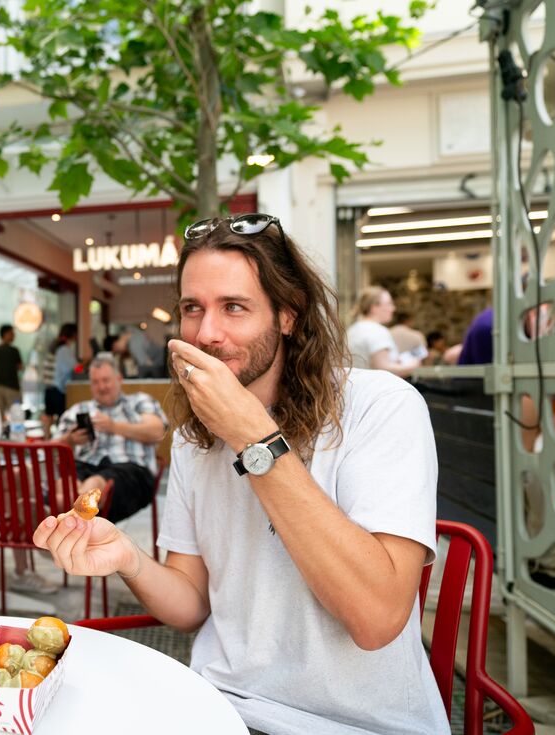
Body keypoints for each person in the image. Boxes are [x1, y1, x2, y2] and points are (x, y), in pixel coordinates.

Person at [33, 213, 447, 734]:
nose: (207, 333)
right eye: (192, 308)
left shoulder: (380, 406)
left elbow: (376, 619)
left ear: (288, 314)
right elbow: (191, 603)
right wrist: (127, 557)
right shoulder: (194, 438)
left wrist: (254, 438)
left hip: (354, 723)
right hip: (217, 707)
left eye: (234, 307)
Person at [53, 354, 167, 523]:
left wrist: (114, 427)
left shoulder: (139, 401)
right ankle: (67, 515)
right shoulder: (79, 409)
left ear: (119, 379)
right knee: (65, 483)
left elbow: (157, 431)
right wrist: (70, 438)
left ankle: (60, 517)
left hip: (130, 471)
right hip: (84, 465)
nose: (101, 387)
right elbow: (53, 449)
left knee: (95, 483)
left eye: (106, 380)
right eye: (95, 382)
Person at [346, 286, 419, 377]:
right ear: (374, 307)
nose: (393, 308)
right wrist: (411, 366)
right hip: (373, 384)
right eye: (389, 304)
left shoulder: (352, 329)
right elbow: (383, 368)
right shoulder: (377, 331)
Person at [41, 323, 78, 435]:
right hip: (58, 388)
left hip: (48, 387)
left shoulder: (54, 346)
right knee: (62, 418)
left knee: (49, 415)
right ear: (73, 334)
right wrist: (85, 364)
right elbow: (75, 368)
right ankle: (60, 440)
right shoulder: (64, 349)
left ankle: (47, 440)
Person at [0, 325, 23, 413]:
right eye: (11, 333)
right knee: (15, 414)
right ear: (5, 334)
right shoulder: (14, 350)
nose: (14, 335)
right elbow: (20, 367)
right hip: (11, 387)